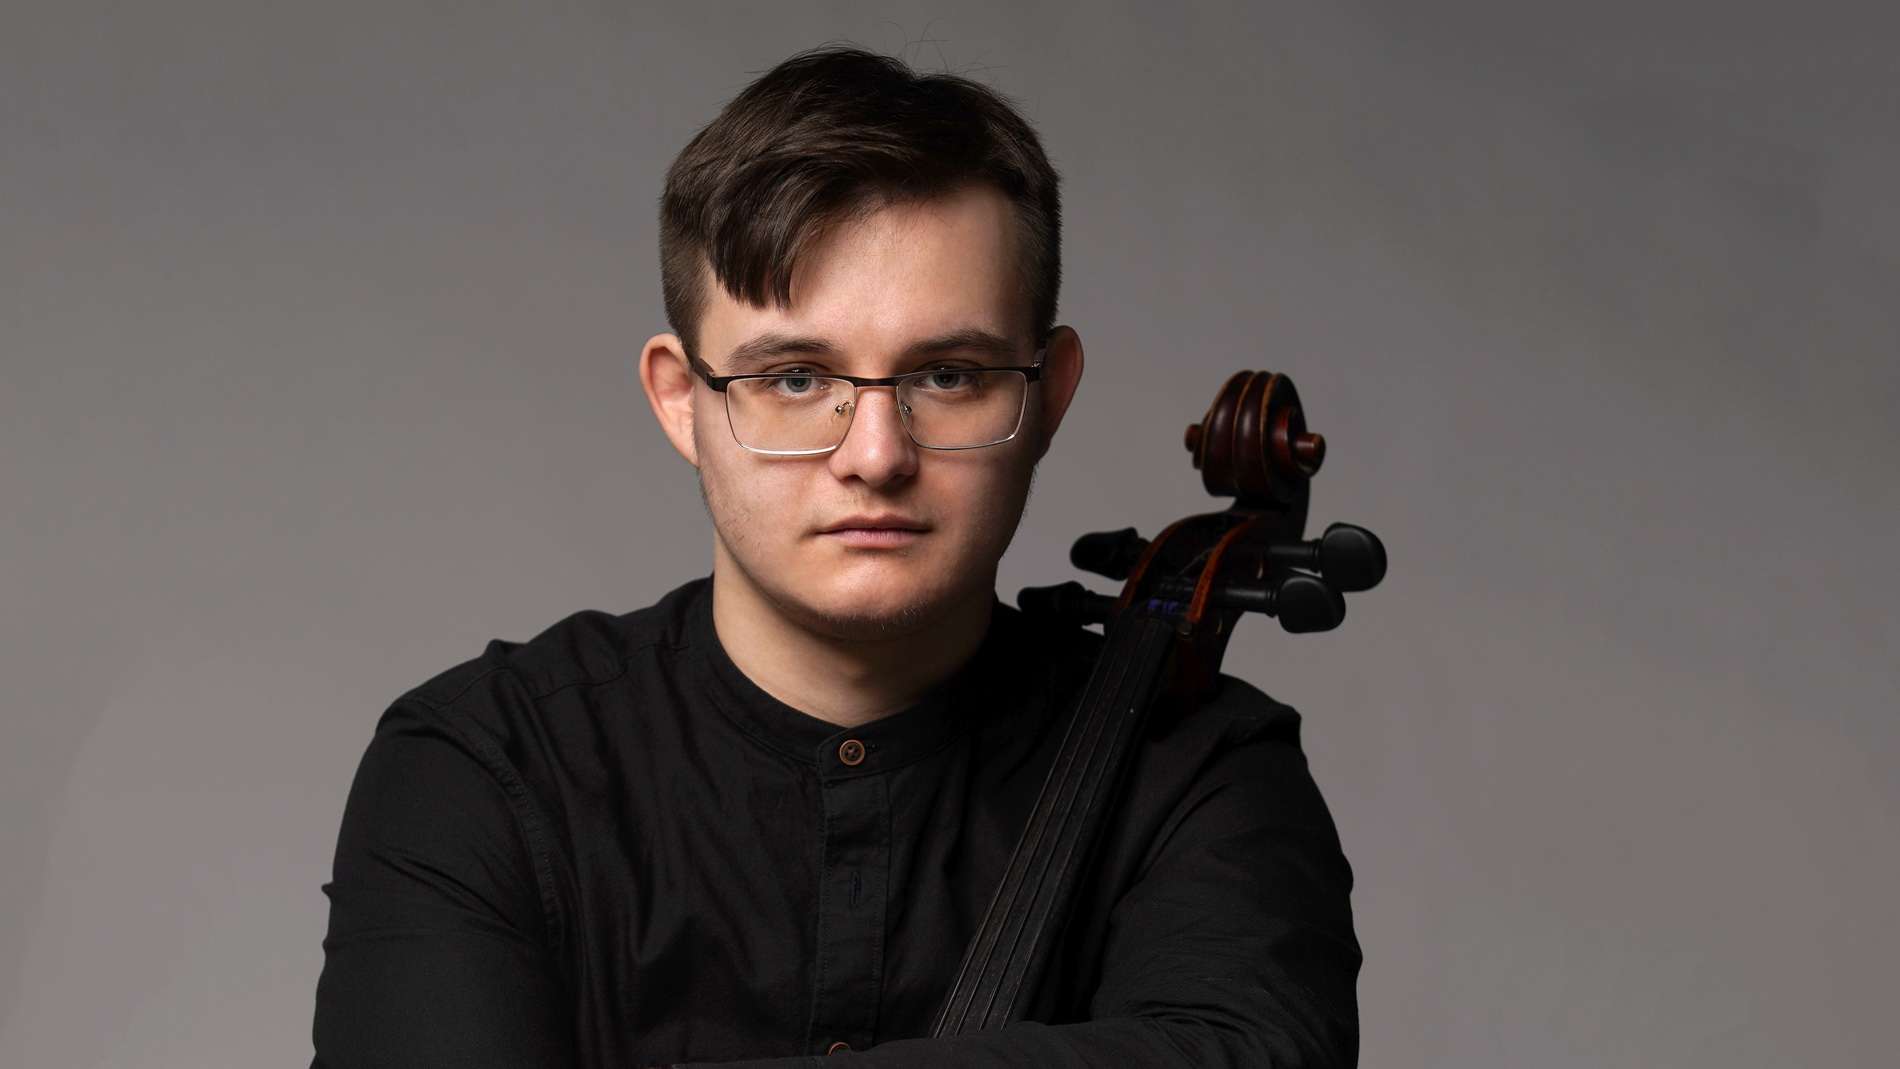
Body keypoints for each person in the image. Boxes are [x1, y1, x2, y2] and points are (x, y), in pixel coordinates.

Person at [311, 44, 1361, 1068]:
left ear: (1047, 395)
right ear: (681, 399)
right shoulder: (482, 770)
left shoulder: (1203, 772)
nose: (875, 455)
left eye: (947, 375)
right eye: (796, 379)